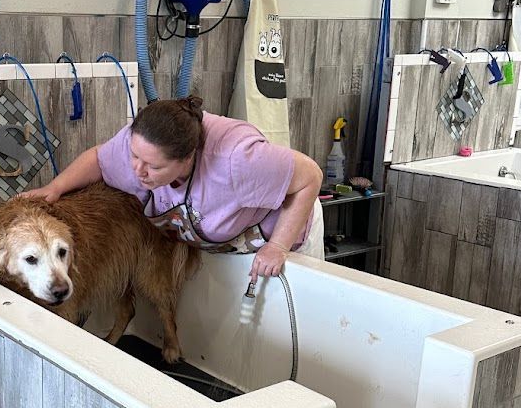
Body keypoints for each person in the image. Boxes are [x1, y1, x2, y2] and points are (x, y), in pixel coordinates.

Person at [27, 96, 324, 279]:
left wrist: (278, 247)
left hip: (287, 226)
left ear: (187, 158)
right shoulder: (141, 141)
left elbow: (310, 176)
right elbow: (100, 159)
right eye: (134, 156)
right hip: (224, 238)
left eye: (154, 167)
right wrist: (56, 187)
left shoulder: (238, 160)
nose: (138, 170)